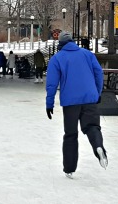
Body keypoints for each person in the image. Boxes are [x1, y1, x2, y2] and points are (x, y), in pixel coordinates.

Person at [45, 32, 107, 178]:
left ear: (60, 43)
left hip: (70, 102)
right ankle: (98, 146)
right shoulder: (87, 54)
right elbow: (98, 73)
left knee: (71, 134)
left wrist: (49, 103)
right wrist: (97, 93)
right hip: (89, 99)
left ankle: (69, 169)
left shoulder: (57, 58)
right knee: (92, 127)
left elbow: (52, 83)